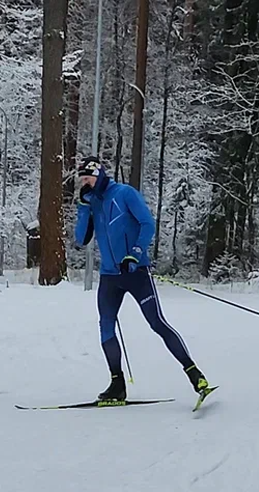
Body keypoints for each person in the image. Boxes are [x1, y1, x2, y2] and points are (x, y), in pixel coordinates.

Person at [73, 156, 211, 402]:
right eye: (82, 180)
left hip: (135, 272)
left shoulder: (125, 193)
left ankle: (195, 375)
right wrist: (83, 208)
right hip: (109, 276)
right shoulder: (92, 201)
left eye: (88, 178)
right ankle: (117, 384)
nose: (86, 184)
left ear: (100, 174)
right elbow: (81, 239)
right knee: (106, 325)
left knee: (157, 323)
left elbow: (148, 224)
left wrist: (135, 253)